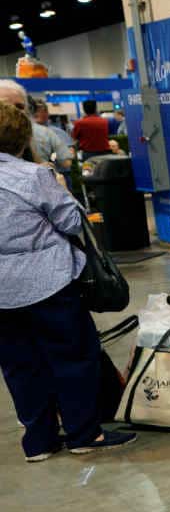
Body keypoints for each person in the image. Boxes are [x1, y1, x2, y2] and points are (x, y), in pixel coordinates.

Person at [0, 101, 137, 461]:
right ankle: (82, 434)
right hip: (49, 284)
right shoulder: (33, 177)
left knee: (20, 367)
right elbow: (72, 223)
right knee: (72, 359)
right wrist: (61, 188)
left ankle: (39, 442)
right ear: (21, 136)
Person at [0, 81, 71, 170]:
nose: (13, 112)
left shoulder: (28, 135)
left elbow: (66, 161)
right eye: (5, 106)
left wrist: (43, 168)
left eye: (19, 107)